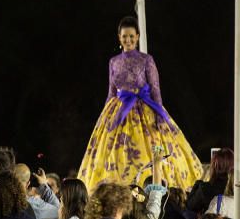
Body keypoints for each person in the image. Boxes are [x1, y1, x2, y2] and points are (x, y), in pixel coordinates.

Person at [77, 16, 202, 190]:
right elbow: (111, 92)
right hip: (118, 111)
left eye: (131, 36)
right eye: (124, 36)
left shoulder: (146, 60)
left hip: (144, 111)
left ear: (137, 36)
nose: (128, 40)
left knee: (150, 152)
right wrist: (104, 119)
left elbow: (155, 88)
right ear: (119, 37)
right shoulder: (113, 62)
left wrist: (159, 117)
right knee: (115, 155)